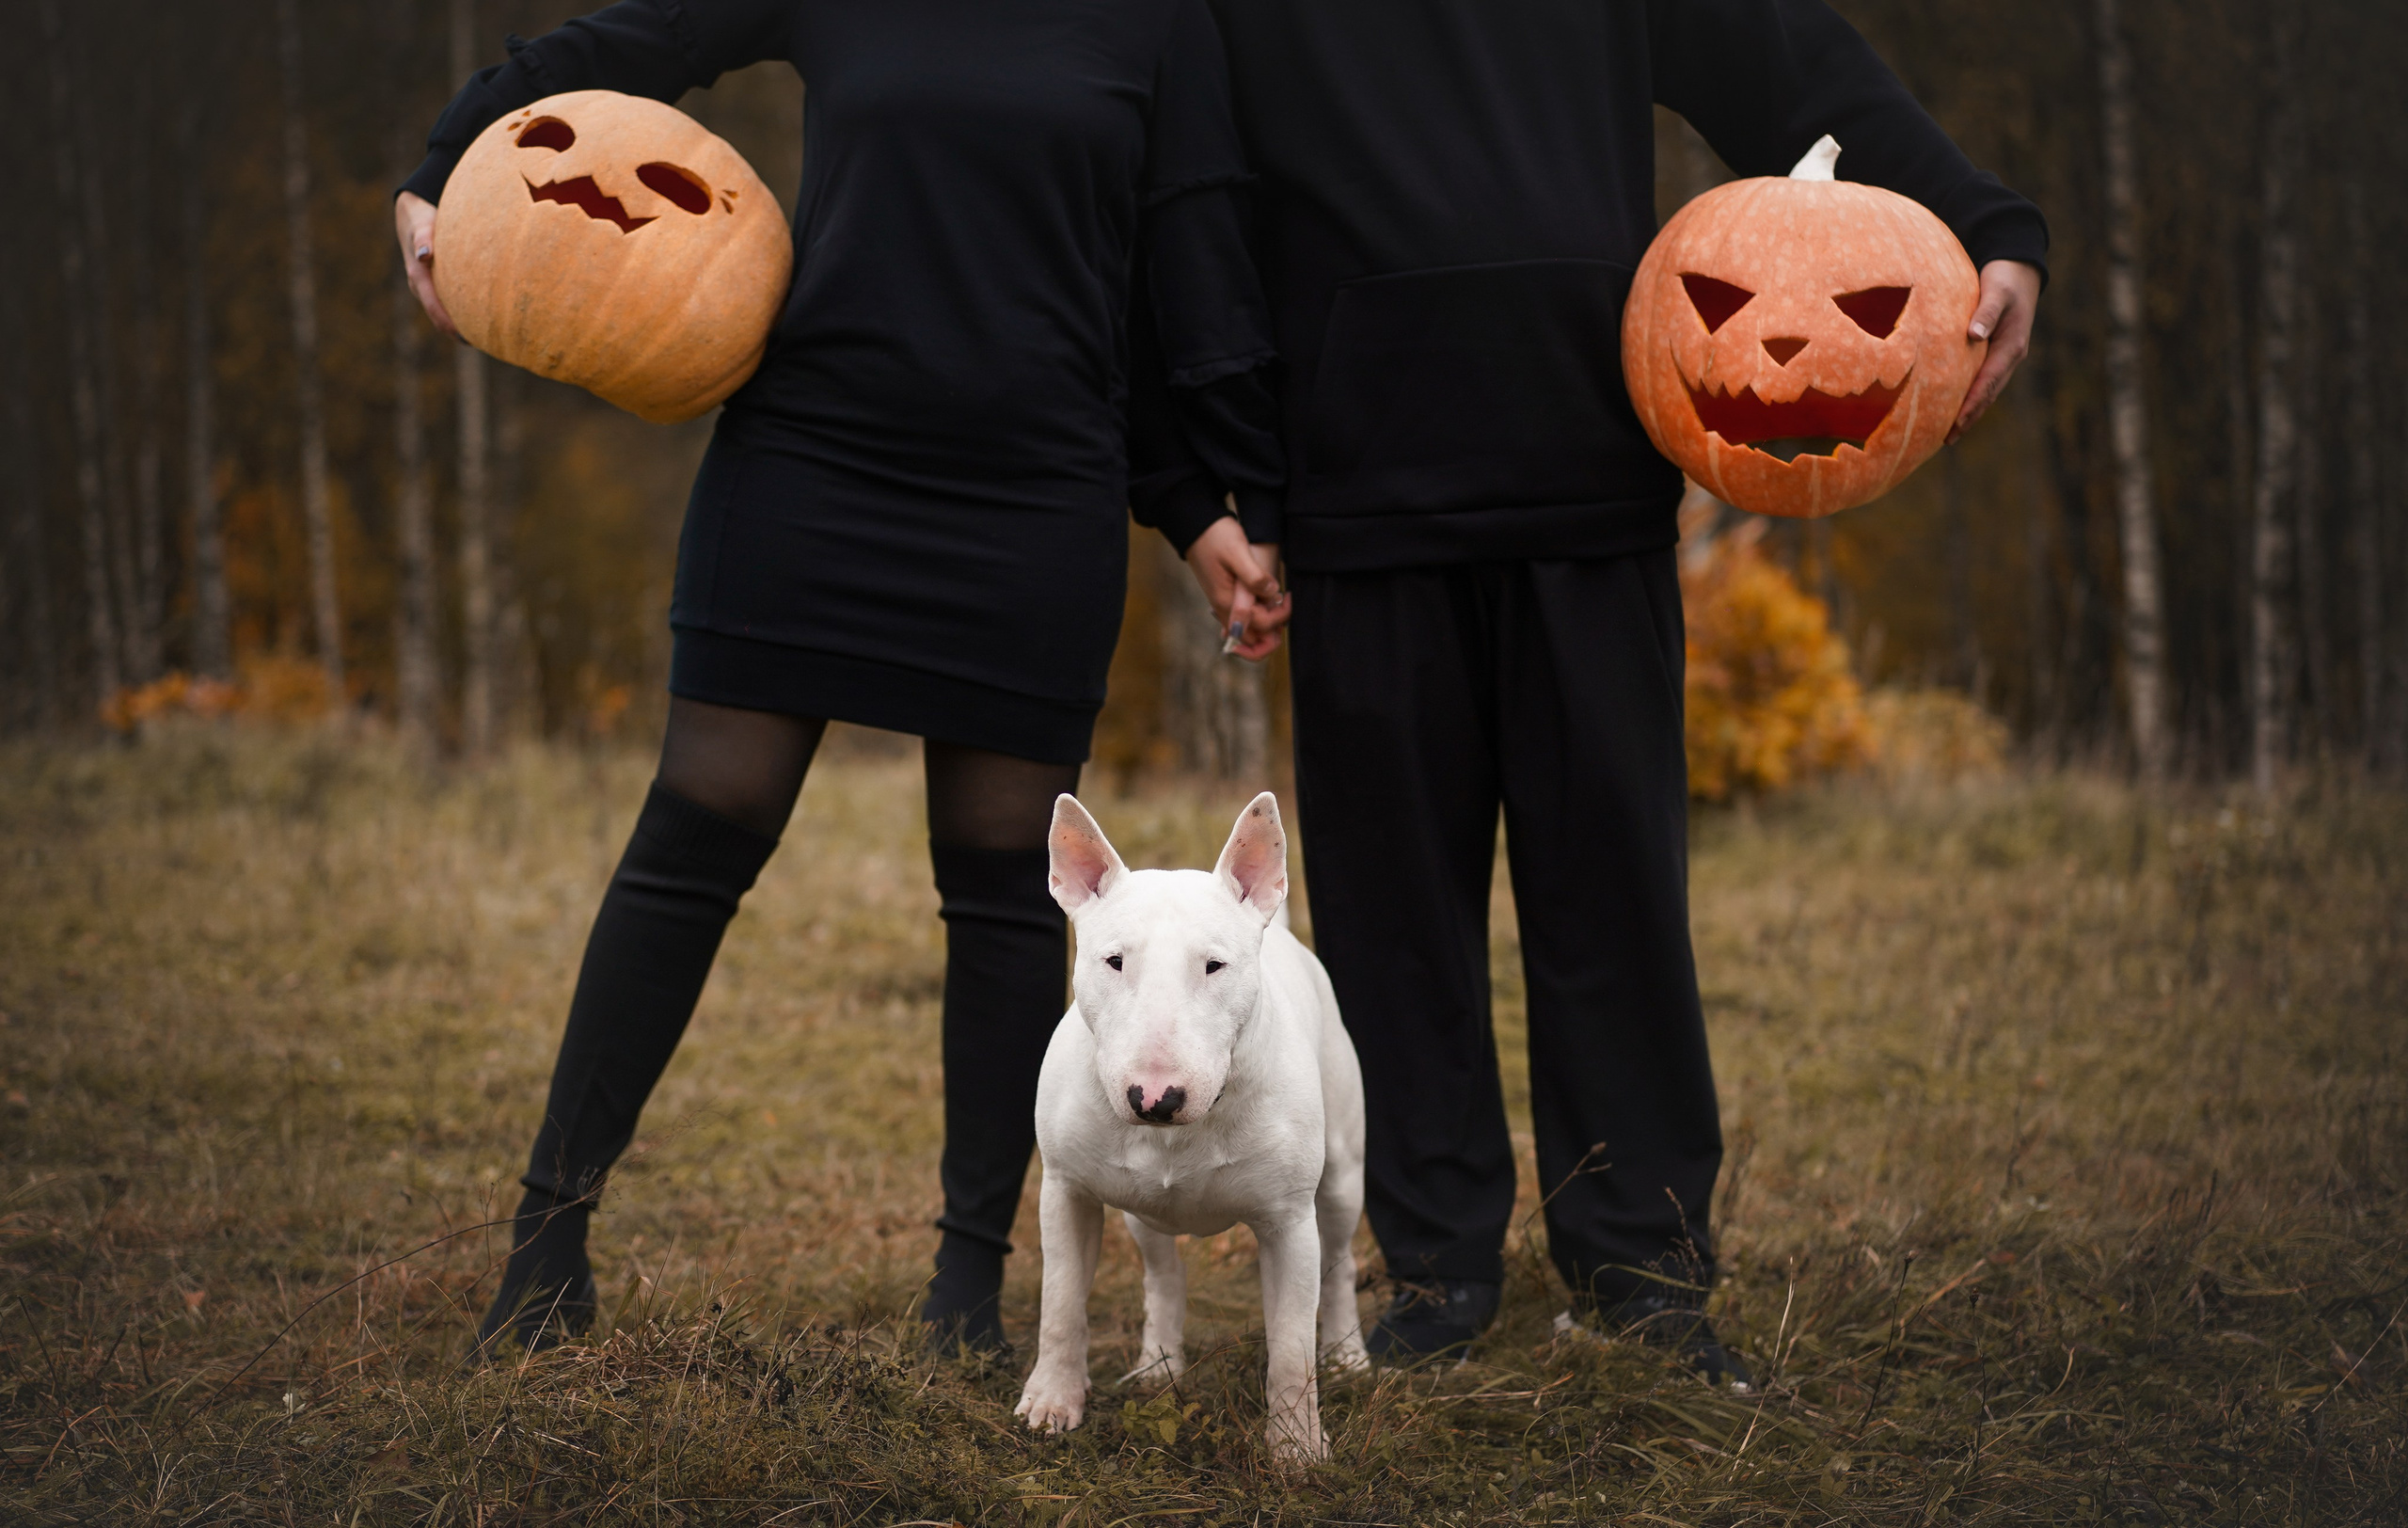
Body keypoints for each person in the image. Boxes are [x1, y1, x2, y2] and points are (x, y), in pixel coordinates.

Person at [1135, 0, 2047, 1377]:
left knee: (1613, 895)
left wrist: (1986, 222)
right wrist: (1210, 484)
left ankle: (1642, 1268)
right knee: (1393, 919)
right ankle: (1434, 1271)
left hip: (1595, 468)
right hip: (1360, 493)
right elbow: (1188, 209)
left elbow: (1786, 66)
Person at [395, 0, 1292, 1358]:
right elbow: (626, 45)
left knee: (1000, 895)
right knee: (694, 836)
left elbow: (1171, 277)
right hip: (810, 464)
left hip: (1034, 491)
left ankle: (964, 1295)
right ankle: (545, 1250)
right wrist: (443, 160)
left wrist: (1199, 508)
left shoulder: (1162, 19)